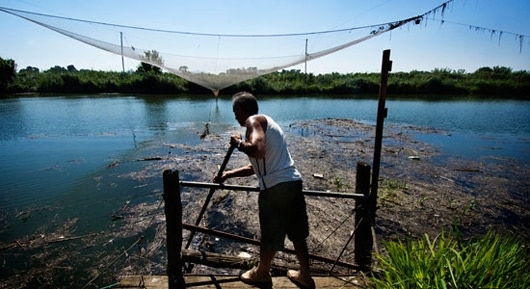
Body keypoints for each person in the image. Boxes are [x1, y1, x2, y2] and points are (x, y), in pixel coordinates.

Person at [213, 91, 315, 289]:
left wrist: (239, 144)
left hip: (276, 188)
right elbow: (256, 167)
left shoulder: (253, 121)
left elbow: (257, 152)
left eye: (235, 111)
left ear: (241, 110)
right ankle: (305, 276)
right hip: (292, 182)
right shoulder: (268, 122)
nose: (235, 116)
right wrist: (227, 174)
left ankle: (261, 273)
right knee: (297, 234)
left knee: (270, 234)